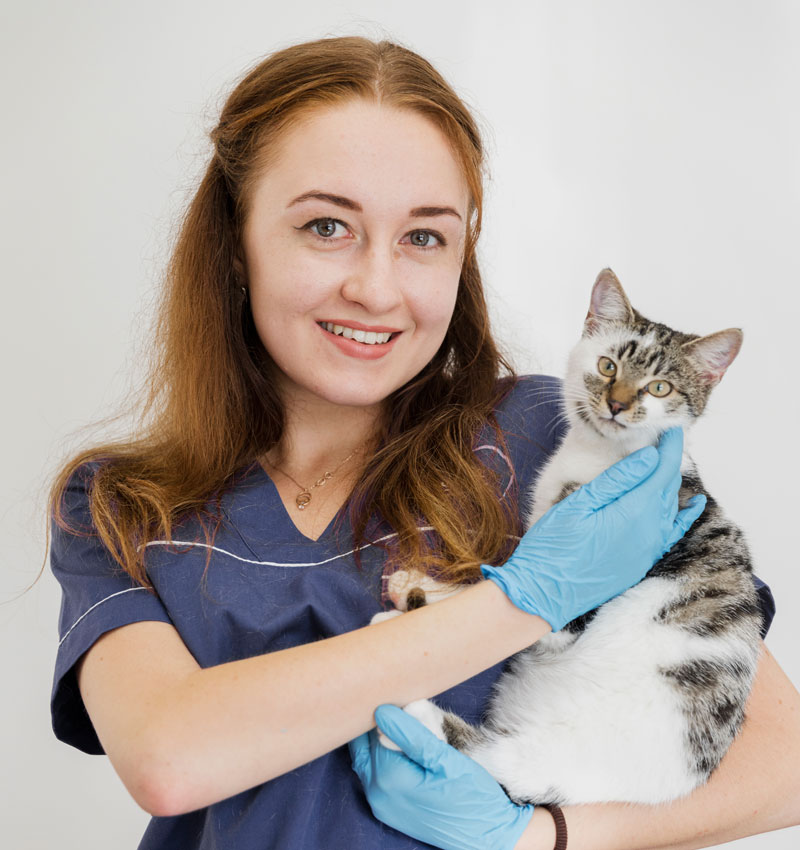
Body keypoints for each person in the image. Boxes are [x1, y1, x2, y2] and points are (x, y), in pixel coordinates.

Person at [48, 36, 799, 850]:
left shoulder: (551, 440)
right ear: (237, 243)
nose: (376, 288)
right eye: (327, 225)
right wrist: (522, 601)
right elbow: (170, 756)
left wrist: (537, 838)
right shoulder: (123, 505)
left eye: (424, 237)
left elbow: (781, 760)